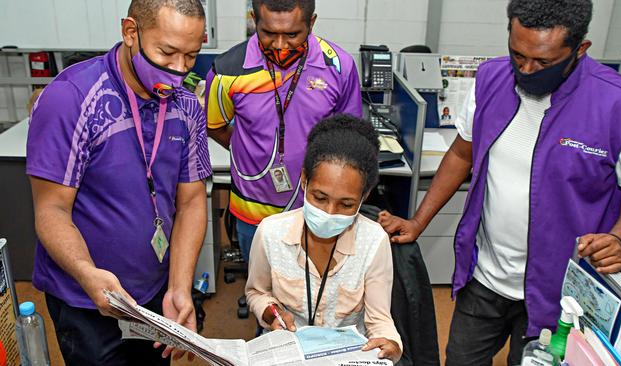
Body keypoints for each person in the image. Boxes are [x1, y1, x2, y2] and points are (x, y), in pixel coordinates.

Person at [379, 0, 621, 364]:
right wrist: (418, 221)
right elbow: (462, 155)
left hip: (561, 292)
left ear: (580, 49)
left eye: (543, 62)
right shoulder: (491, 79)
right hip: (485, 277)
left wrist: (620, 238)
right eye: (517, 55)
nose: (526, 69)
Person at [26, 0, 211, 364]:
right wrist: (87, 273)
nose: (179, 70)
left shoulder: (187, 106)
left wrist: (179, 285)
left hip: (154, 291)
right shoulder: (72, 99)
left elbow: (190, 200)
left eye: (190, 56)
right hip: (85, 297)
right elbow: (51, 209)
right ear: (130, 32)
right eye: (167, 52)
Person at [204, 0, 362, 263]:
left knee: (308, 287)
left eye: (292, 34)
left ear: (311, 23)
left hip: (315, 210)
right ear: (254, 19)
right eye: (268, 33)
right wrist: (251, 151)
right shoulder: (226, 71)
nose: (279, 44)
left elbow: (349, 139)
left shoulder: (338, 66)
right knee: (260, 288)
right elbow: (215, 125)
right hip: (252, 208)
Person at [245, 115, 402, 363]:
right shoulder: (271, 233)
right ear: (304, 180)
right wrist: (269, 312)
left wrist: (390, 344)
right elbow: (257, 292)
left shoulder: (373, 242)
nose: (329, 213)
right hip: (287, 352)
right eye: (319, 198)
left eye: (347, 204)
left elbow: (379, 319)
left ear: (365, 196)